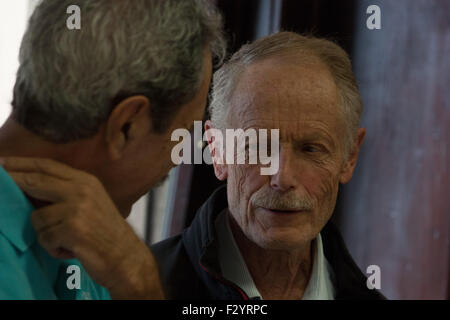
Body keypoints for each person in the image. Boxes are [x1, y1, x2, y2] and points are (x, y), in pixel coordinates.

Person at [0, 0, 224, 299]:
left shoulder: (91, 234)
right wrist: (141, 284)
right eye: (182, 135)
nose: (181, 156)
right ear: (127, 125)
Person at [151, 32, 386, 300]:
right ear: (217, 151)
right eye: (260, 148)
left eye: (310, 149)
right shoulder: (132, 289)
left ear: (350, 156)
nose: (282, 178)